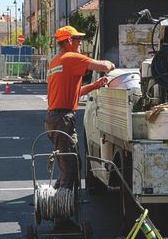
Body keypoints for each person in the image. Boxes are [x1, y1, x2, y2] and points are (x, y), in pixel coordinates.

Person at [45, 26, 115, 195]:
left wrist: (95, 85)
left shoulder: (56, 61)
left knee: (71, 163)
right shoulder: (72, 57)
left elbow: (73, 92)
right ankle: (61, 215)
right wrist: (111, 65)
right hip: (63, 119)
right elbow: (103, 66)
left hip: (54, 118)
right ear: (69, 41)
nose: (81, 42)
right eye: (78, 39)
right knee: (69, 168)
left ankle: (58, 201)